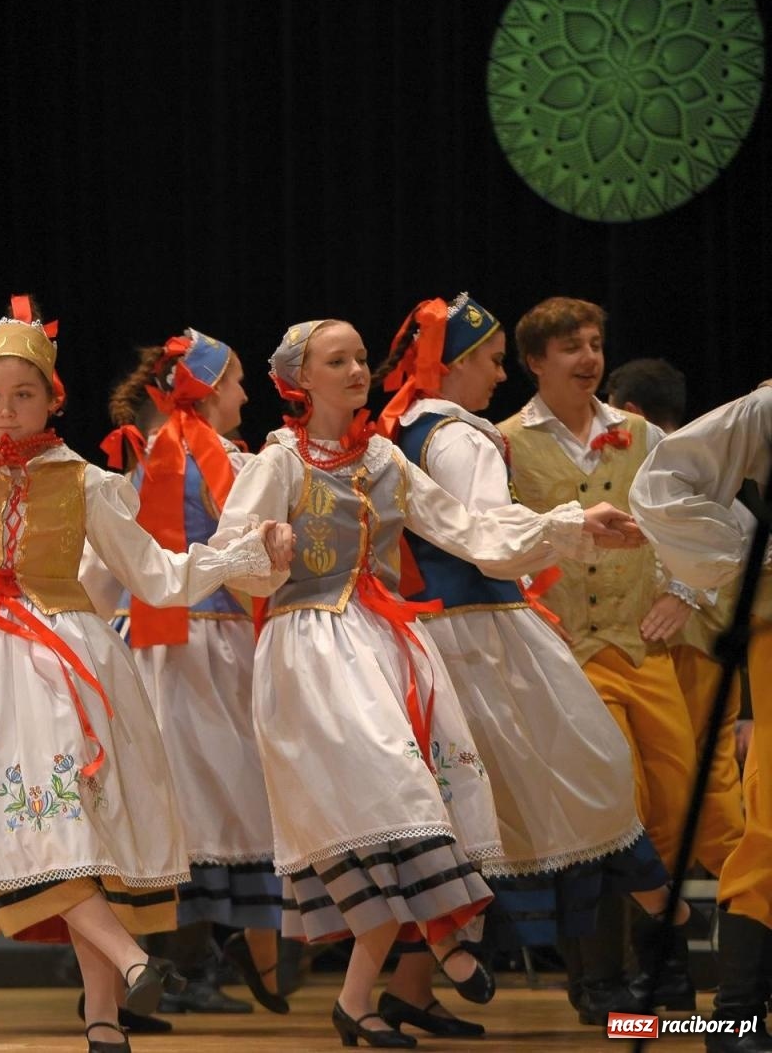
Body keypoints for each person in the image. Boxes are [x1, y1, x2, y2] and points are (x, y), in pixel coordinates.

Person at [0, 296, 292, 1053]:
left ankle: (104, 1017)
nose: (5, 411)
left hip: (63, 668)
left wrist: (241, 554)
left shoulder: (88, 483)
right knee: (21, 831)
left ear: (51, 397)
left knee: (77, 833)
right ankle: (129, 963)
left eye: (22, 395)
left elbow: (155, 576)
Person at [212, 317, 644, 1048]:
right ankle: (450, 933)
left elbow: (473, 532)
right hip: (308, 649)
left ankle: (358, 998)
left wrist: (573, 523)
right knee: (393, 797)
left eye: (358, 358)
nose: (355, 370)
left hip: (384, 644)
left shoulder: (383, 459)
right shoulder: (278, 462)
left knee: (416, 803)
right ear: (300, 380)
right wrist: (268, 550)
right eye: (336, 360)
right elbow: (233, 557)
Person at [375, 294, 687, 1031]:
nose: (495, 373)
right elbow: (491, 537)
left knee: (474, 813)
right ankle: (680, 952)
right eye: (487, 359)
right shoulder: (457, 438)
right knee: (596, 774)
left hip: (448, 635)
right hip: (484, 638)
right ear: (453, 364)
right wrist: (576, 524)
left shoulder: (407, 428)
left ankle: (405, 993)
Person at [497, 297, 707, 1008]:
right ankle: (608, 976)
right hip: (567, 654)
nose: (588, 358)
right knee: (610, 809)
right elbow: (499, 540)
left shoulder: (641, 434)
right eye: (570, 348)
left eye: (593, 344)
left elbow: (686, 523)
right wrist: (528, 616)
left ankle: (658, 955)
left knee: (677, 805)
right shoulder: (505, 441)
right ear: (535, 362)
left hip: (641, 645)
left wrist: (682, 593)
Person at [96, 330, 285, 1017]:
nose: (244, 394)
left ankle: (190, 958)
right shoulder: (227, 461)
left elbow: (103, 568)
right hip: (207, 644)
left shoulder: (138, 460)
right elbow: (250, 564)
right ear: (206, 390)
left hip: (146, 643)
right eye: (235, 381)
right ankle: (194, 960)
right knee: (215, 799)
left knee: (180, 802)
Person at [631, 381, 772, 1053]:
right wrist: (747, 564)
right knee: (770, 820)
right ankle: (738, 1009)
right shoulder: (768, 410)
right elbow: (665, 480)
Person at [609, 357, 749, 881]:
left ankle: (745, 928)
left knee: (695, 785)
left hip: (687, 640)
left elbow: (737, 535)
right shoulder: (697, 459)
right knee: (681, 784)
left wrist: (684, 592)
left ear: (629, 411)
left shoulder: (677, 464)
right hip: (685, 642)